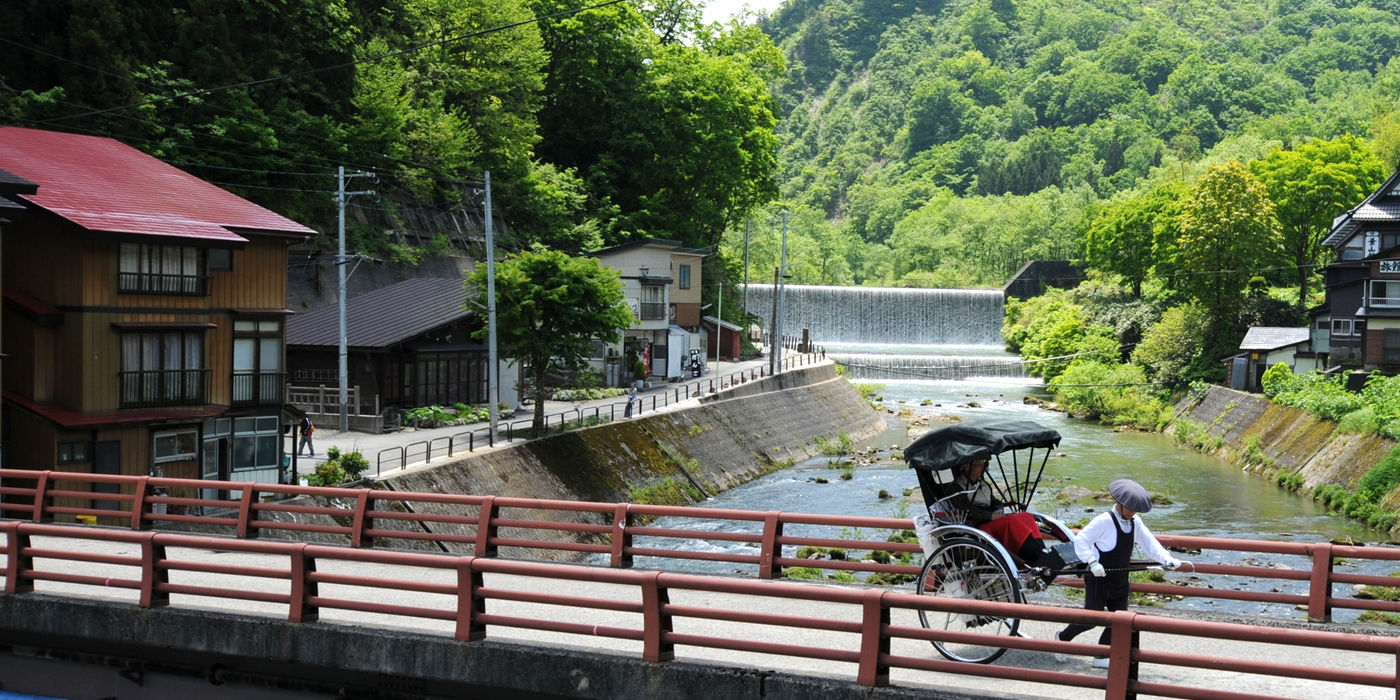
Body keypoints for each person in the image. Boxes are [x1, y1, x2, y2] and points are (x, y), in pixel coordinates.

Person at [1055, 478, 1193, 669]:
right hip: (1098, 576)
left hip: (1119, 577)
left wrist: (1167, 559)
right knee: (1092, 618)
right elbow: (1081, 541)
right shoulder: (1103, 521)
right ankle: (1061, 639)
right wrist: (1092, 561)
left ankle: (1101, 655)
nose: (1132, 512)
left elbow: (1149, 544)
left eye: (1135, 509)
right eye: (1129, 508)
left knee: (1118, 619)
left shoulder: (1135, 522)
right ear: (1119, 503)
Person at [944, 458, 1048, 567]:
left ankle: (1041, 551)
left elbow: (995, 501)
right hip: (976, 526)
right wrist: (990, 516)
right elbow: (965, 508)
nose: (983, 468)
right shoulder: (956, 487)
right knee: (1011, 521)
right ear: (967, 467)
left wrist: (999, 509)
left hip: (990, 521)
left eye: (984, 464)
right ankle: (1035, 556)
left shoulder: (982, 484)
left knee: (1025, 516)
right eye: (979, 464)